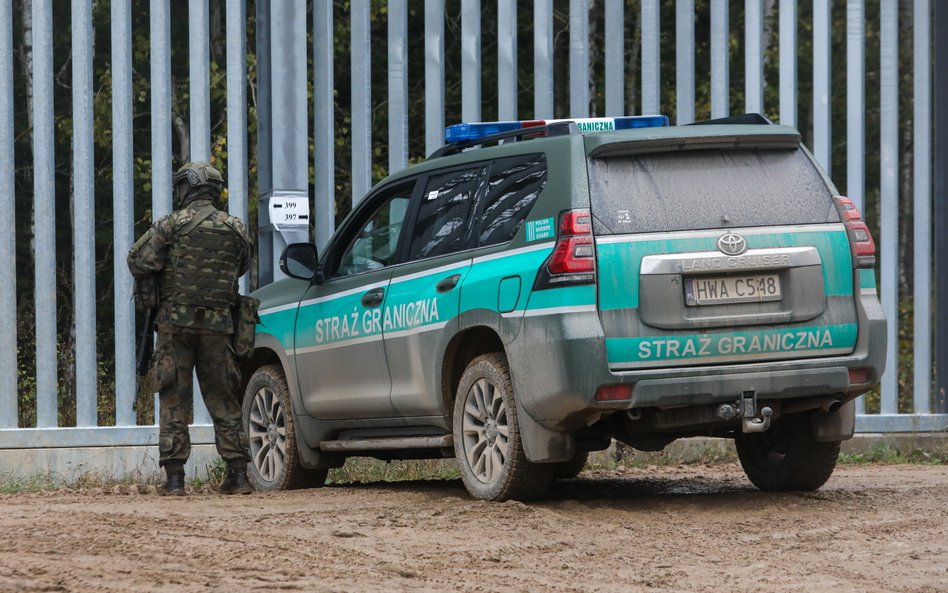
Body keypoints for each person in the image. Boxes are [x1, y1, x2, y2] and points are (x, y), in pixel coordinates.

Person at [127, 161, 254, 496]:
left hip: (175, 325)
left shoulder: (171, 224)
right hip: (218, 326)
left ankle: (174, 480)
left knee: (174, 398)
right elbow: (242, 266)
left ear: (188, 187)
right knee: (224, 397)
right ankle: (239, 476)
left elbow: (138, 261)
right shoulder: (236, 228)